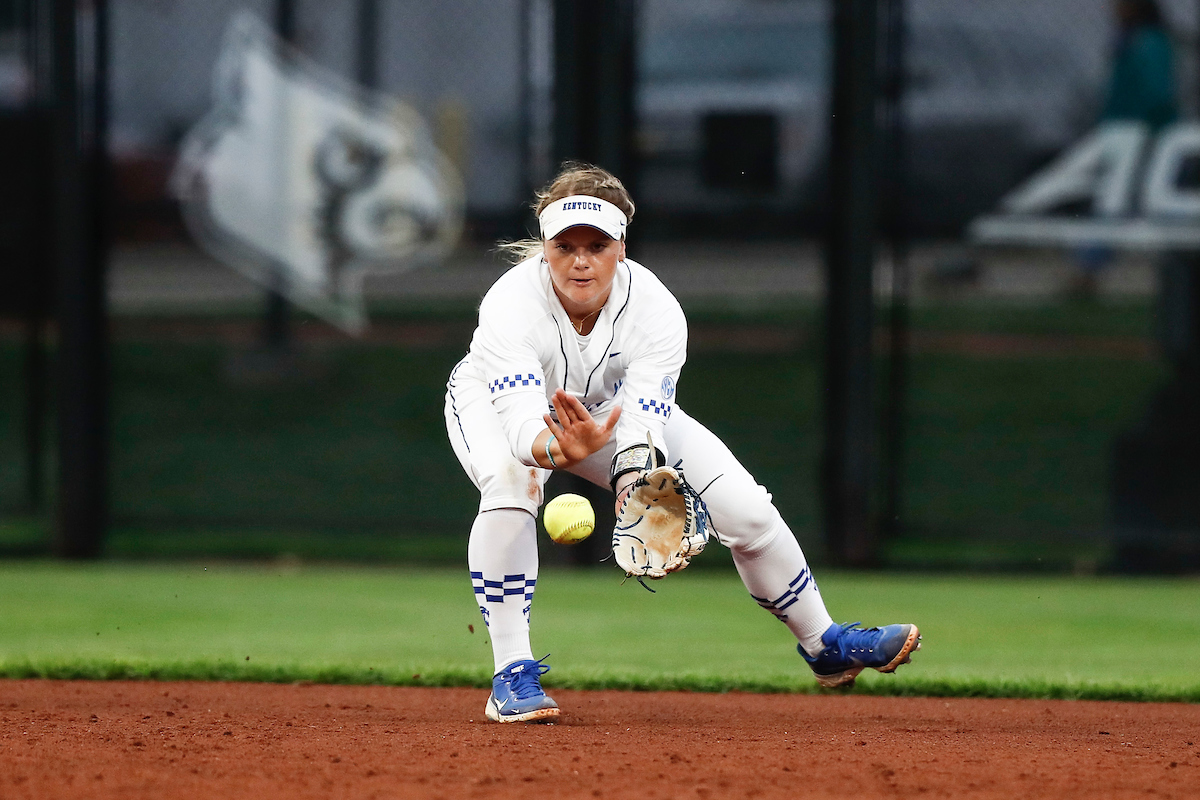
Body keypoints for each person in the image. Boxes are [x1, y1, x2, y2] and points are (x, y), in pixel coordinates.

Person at [444, 162, 920, 723]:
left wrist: (634, 485)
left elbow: (643, 422)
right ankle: (512, 673)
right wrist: (561, 451)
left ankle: (825, 644)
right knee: (510, 485)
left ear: (622, 248)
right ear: (545, 249)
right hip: (494, 404)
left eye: (597, 245)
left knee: (746, 510)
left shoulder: (655, 309)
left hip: (610, 410)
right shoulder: (510, 304)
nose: (580, 260)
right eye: (565, 246)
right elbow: (524, 430)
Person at [1070, 0, 1178, 298]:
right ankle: (1087, 267)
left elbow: (1157, 92)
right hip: (1123, 133)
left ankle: (1087, 268)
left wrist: (1146, 130)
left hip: (1140, 135)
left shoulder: (1149, 42)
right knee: (1128, 203)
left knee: (1117, 203)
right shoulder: (1130, 39)